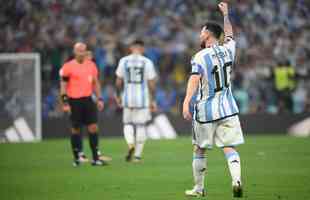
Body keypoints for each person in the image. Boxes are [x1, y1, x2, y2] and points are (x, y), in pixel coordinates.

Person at [182, 2, 244, 197]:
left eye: (202, 31)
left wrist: (186, 102)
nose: (200, 34)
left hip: (206, 110)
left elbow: (194, 80)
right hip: (227, 107)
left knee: (199, 149)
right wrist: (226, 14)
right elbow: (230, 34)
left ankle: (199, 189)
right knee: (229, 146)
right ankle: (236, 180)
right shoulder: (229, 49)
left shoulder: (200, 56)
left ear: (208, 34)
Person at [59, 42, 108, 166]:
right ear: (74, 52)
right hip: (74, 101)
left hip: (88, 100)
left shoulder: (91, 65)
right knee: (75, 129)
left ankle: (96, 158)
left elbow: (96, 83)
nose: (81, 53)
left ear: (86, 51)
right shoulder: (68, 67)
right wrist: (65, 102)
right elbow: (63, 86)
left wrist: (100, 98)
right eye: (79, 51)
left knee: (93, 127)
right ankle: (77, 158)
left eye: (83, 51)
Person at [115, 40, 157, 163]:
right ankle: (137, 155)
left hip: (127, 97)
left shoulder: (123, 61)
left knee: (127, 123)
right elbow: (152, 84)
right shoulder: (147, 62)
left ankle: (130, 144)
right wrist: (153, 100)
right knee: (141, 125)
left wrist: (118, 95)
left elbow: (118, 82)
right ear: (142, 49)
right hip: (142, 99)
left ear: (131, 48)